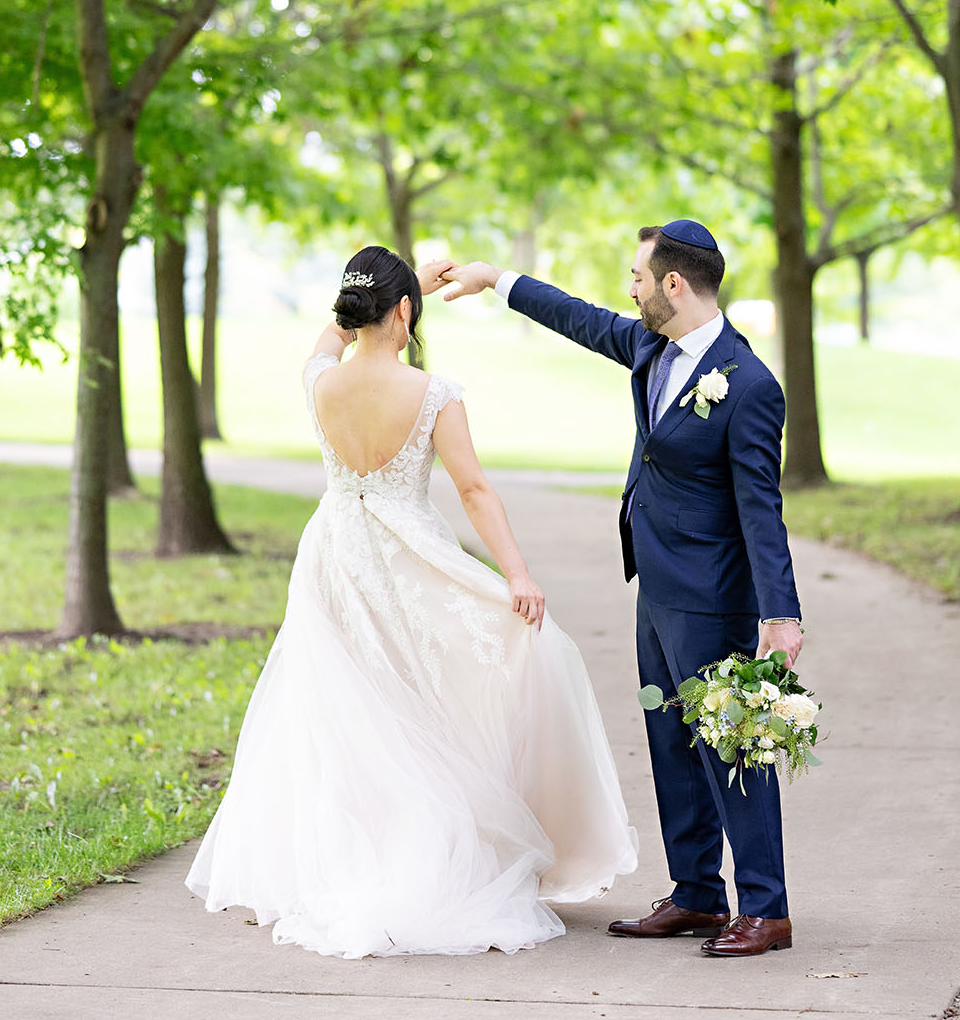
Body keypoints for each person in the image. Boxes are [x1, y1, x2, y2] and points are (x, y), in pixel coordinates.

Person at [185, 244, 637, 958]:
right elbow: (474, 490)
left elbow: (326, 341)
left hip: (333, 553)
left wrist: (400, 291)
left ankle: (356, 857)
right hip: (406, 556)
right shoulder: (433, 392)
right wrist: (517, 573)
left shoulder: (319, 384)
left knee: (351, 706)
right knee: (439, 694)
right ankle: (436, 859)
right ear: (404, 313)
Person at [445, 221, 803, 958]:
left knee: (731, 746)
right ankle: (700, 894)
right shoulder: (651, 346)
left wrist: (781, 613)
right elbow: (579, 318)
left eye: (638, 277)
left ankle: (766, 909)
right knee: (671, 743)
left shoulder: (750, 386)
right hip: (657, 590)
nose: (629, 289)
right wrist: (496, 280)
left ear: (674, 284)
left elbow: (761, 509)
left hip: (714, 598)